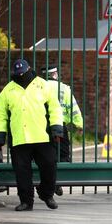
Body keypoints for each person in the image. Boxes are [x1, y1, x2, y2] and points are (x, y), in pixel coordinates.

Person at [0, 59, 64, 211]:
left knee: (49, 166)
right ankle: (26, 201)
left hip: (42, 136)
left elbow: (55, 108)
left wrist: (56, 129)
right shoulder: (8, 90)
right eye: (18, 74)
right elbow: (0, 115)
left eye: (23, 73)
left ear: (29, 69)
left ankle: (46, 194)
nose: (21, 76)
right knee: (22, 172)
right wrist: (0, 136)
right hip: (20, 138)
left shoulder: (42, 85)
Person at [43, 67, 84, 196]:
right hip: (60, 127)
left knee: (44, 156)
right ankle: (57, 182)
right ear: (55, 74)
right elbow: (73, 107)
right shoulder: (63, 88)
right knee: (63, 155)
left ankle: (48, 182)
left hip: (41, 126)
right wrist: (79, 124)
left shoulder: (38, 87)